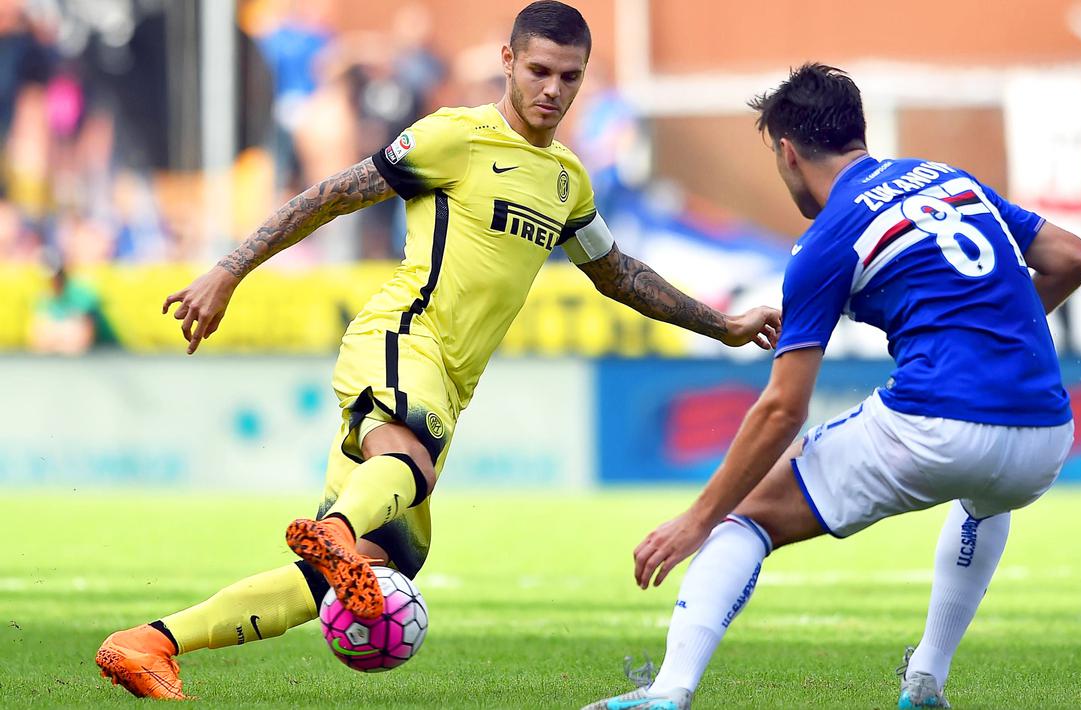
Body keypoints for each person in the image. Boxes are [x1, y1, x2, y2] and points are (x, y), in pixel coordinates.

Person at [93, 1, 780, 701]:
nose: (552, 89)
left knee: (363, 572)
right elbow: (330, 196)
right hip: (400, 338)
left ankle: (150, 643)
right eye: (538, 70)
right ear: (508, 62)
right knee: (401, 468)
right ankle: (333, 528)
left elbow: (618, 275)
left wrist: (720, 325)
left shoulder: (568, 180)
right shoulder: (455, 135)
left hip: (448, 381)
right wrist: (229, 269)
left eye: (568, 77)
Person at [584, 64, 1081, 710]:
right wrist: (986, 330)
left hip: (935, 426)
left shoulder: (827, 238)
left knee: (746, 518)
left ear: (788, 153)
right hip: (1045, 439)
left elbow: (780, 410)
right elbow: (1073, 257)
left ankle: (668, 691)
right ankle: (925, 683)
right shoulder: (948, 179)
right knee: (984, 499)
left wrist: (698, 516)